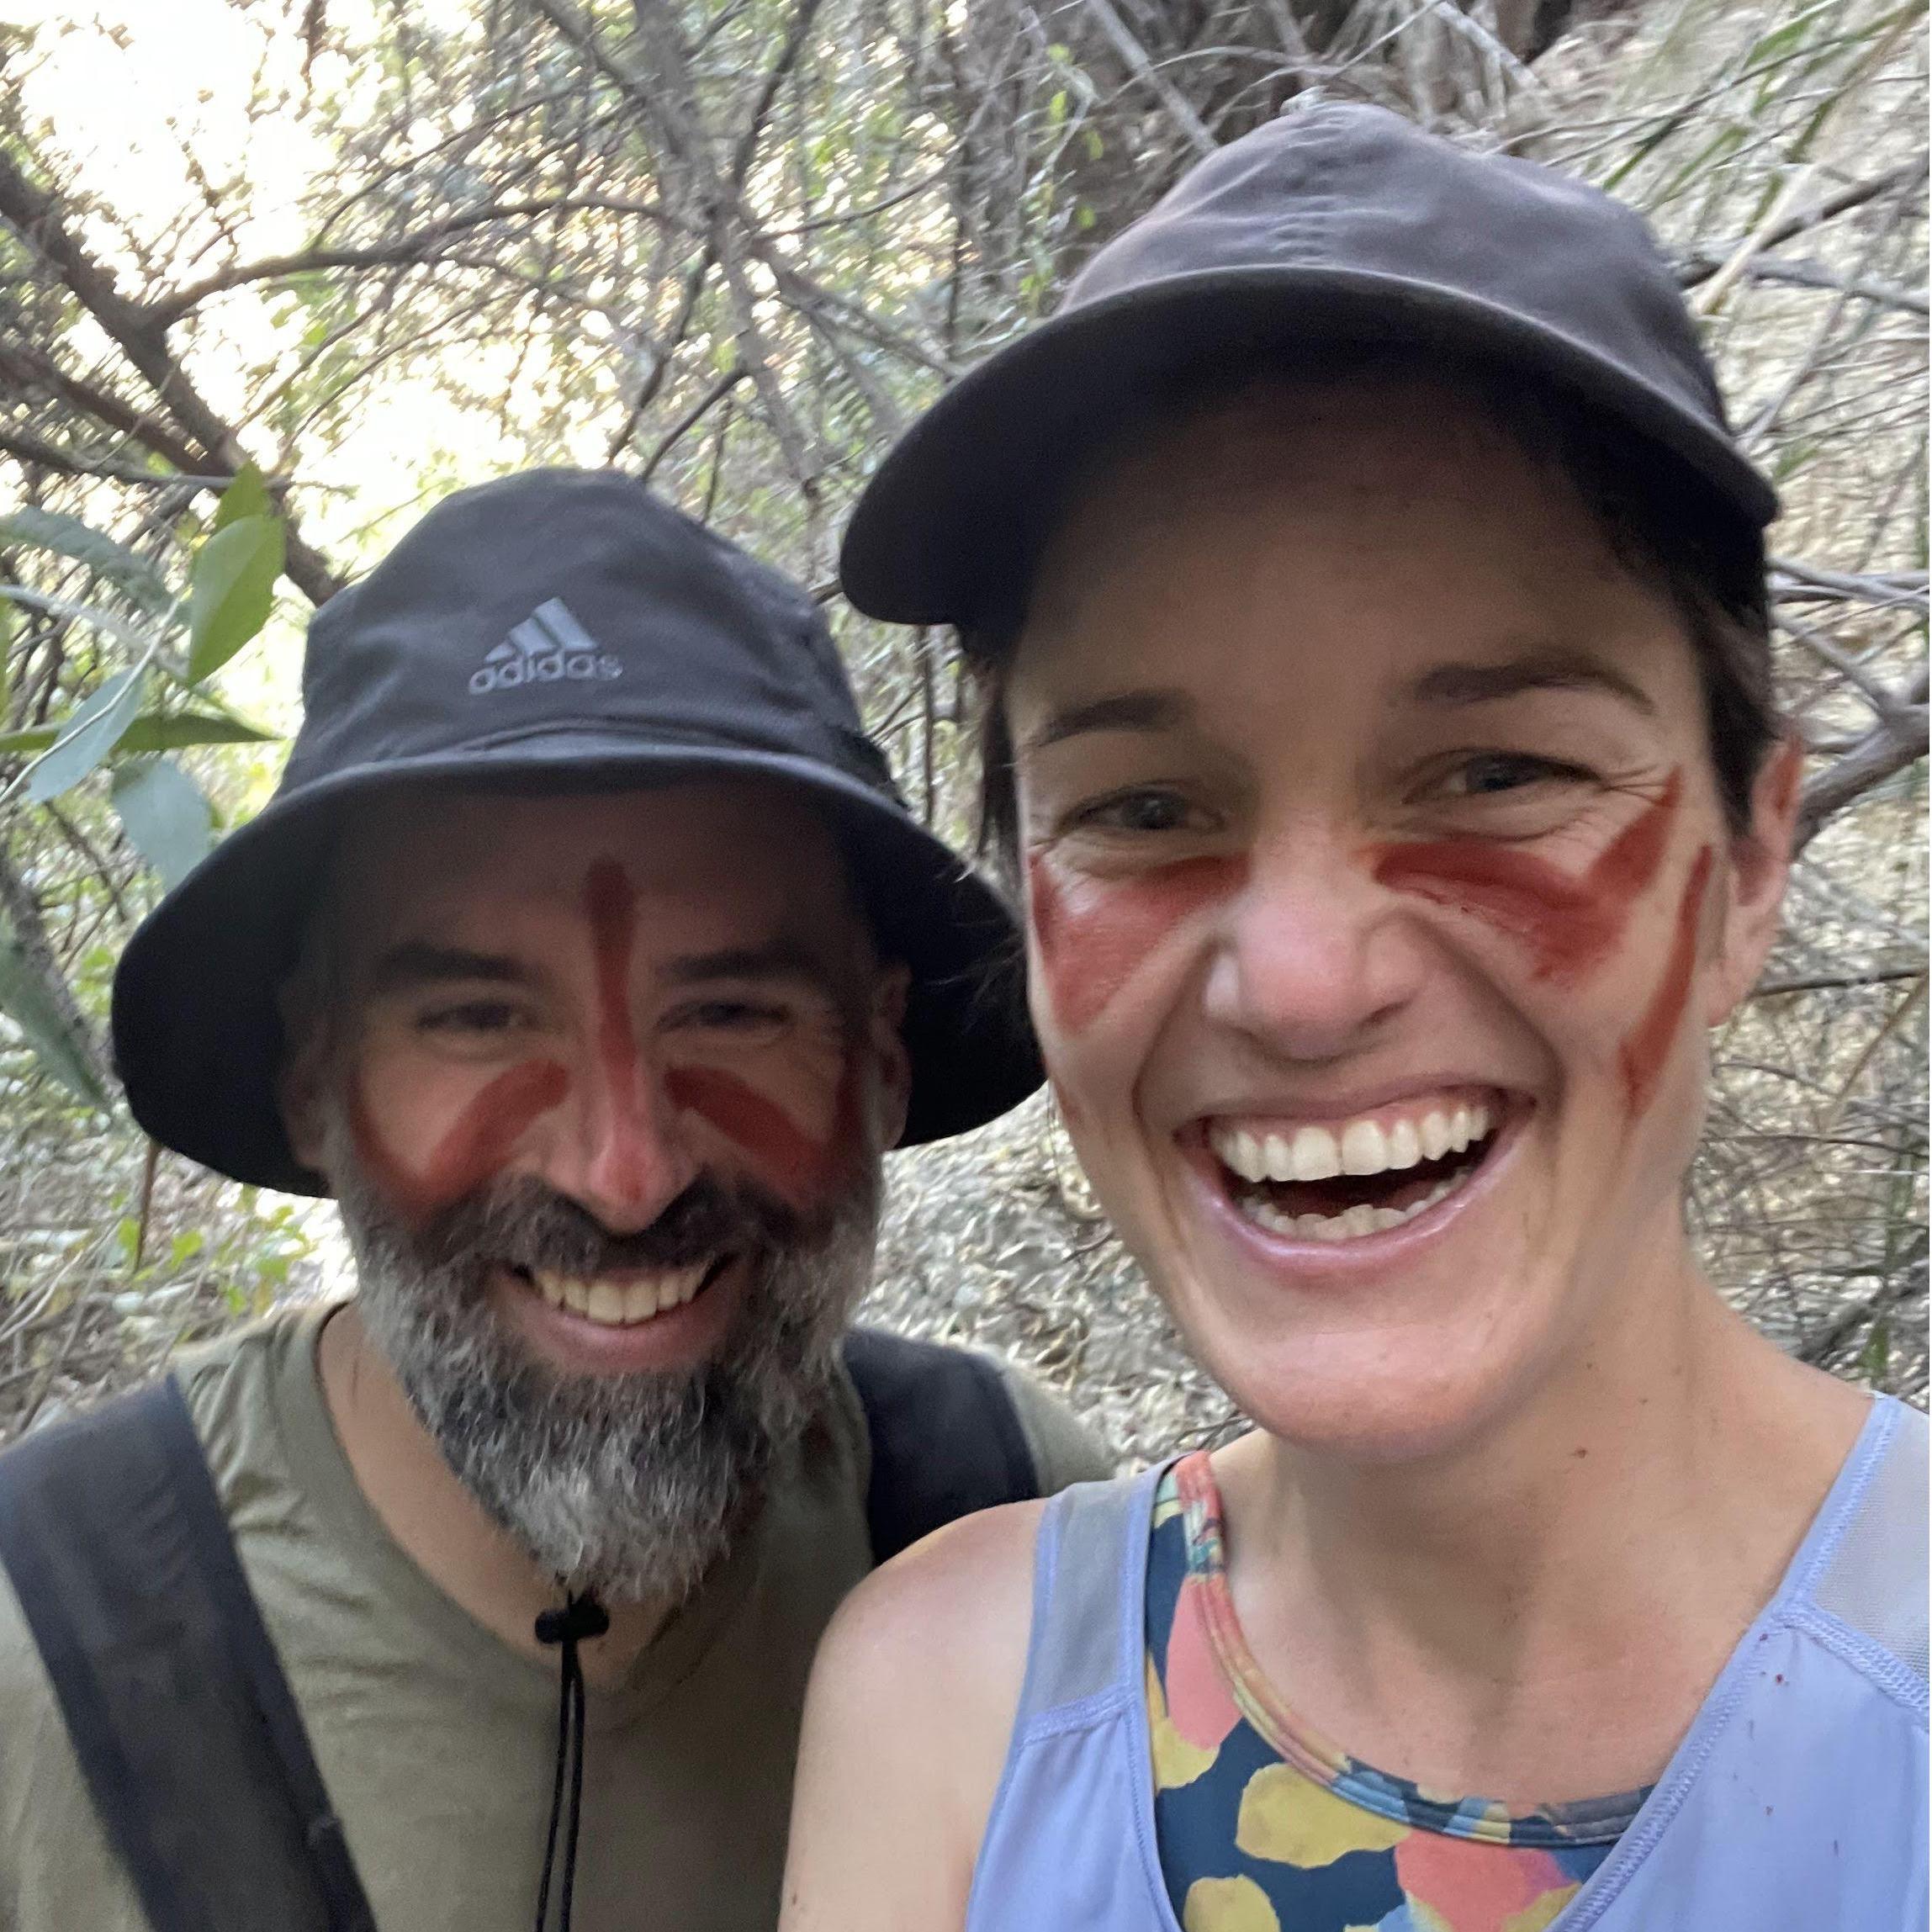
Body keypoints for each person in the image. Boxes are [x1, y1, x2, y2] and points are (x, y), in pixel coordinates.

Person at [782, 106, 1927, 1931]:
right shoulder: (953, 1714)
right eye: (1146, 810)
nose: (1302, 983)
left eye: (1494, 772)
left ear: (1751, 860)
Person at [0, 470, 1110, 1932]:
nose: (626, 1172)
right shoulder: (40, 1642)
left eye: (728, 1011)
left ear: (883, 1058)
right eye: (473, 1019)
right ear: (314, 1082)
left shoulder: (1016, 1525)